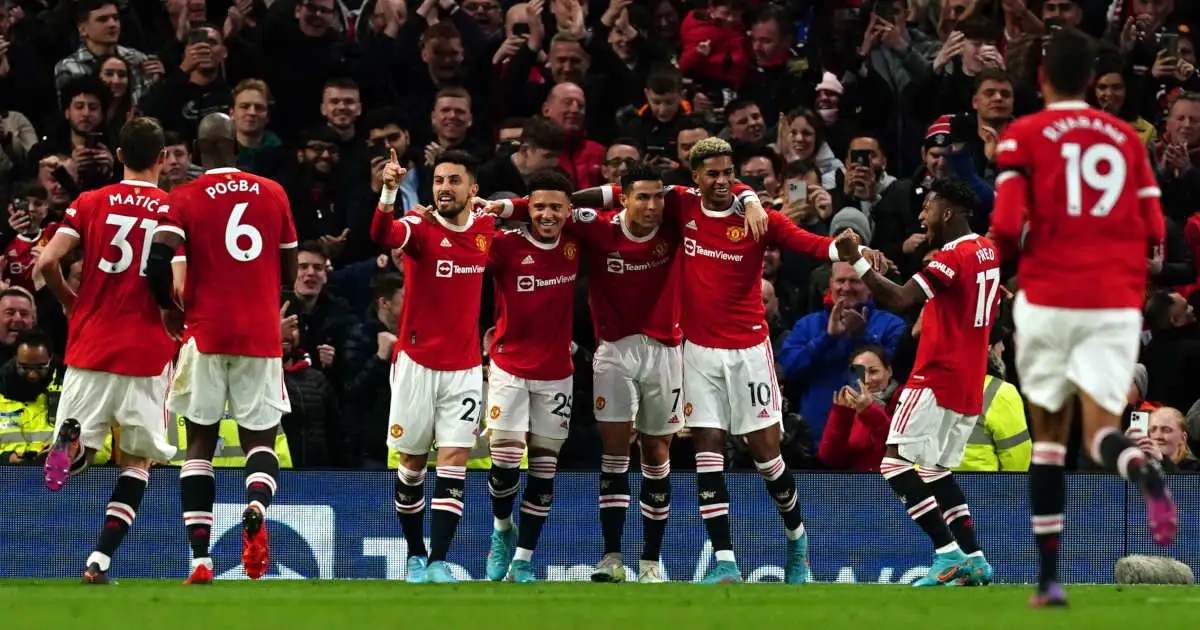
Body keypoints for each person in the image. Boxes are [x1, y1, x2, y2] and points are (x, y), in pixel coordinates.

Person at [572, 137, 887, 584]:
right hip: (698, 352)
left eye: (728, 173)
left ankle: (798, 540)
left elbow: (817, 246)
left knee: (766, 457)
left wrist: (852, 251)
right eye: (712, 174)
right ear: (695, 177)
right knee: (707, 454)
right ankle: (724, 561)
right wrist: (563, 202)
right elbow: (616, 193)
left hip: (749, 353)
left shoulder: (759, 219)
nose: (722, 181)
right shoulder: (679, 203)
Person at [990, 27, 1176, 607]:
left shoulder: (1022, 136)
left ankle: (1049, 579)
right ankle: (1141, 469)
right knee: (1100, 431)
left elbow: (1003, 227)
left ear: (1041, 78)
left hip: (1048, 298)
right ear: (1094, 82)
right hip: (1113, 302)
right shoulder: (1126, 138)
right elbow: (1156, 231)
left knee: (1048, 441)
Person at [493, 164, 684, 584]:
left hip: (667, 350)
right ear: (624, 197)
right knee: (614, 455)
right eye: (641, 197)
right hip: (613, 350)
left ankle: (651, 562)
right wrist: (505, 206)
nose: (651, 206)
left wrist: (747, 199)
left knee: (656, 456)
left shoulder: (676, 224)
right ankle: (612, 558)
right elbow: (550, 208)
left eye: (658, 197)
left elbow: (718, 191)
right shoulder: (596, 228)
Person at [145, 112, 299, 585]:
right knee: (261, 440)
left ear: (194, 149)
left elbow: (156, 261)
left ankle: (200, 560)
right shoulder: (273, 192)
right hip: (259, 335)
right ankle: (255, 506)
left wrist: (169, 308)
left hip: (204, 333)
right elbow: (290, 267)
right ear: (237, 147)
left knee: (199, 445)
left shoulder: (184, 197)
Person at [834, 179, 999, 587]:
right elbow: (943, 297)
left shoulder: (954, 255)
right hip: (968, 377)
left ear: (947, 212)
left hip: (936, 375)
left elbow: (901, 300)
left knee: (894, 463)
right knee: (936, 469)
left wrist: (857, 262)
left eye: (928, 208)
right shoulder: (988, 251)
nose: (922, 216)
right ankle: (975, 558)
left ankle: (947, 554)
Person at [36, 117, 179, 584]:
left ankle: (72, 443)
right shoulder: (171, 210)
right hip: (149, 350)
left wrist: (70, 303)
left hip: (91, 341)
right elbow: (175, 284)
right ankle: (99, 560)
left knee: (75, 462)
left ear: (119, 156)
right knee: (139, 461)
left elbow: (48, 261)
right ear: (163, 159)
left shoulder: (90, 202)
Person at [370, 148, 512, 584]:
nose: (444, 188)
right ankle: (415, 556)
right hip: (415, 363)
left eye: (454, 180)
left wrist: (508, 207)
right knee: (412, 464)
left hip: (466, 366)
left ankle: (438, 561)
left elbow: (531, 222)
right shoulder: (420, 226)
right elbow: (382, 234)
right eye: (438, 181)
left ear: (473, 189)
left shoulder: (487, 229)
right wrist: (390, 190)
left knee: (454, 461)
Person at [480, 169, 579, 583]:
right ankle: (502, 530)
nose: (547, 214)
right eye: (538, 206)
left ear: (569, 211)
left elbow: (606, 210)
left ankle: (523, 559)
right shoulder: (505, 246)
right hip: (509, 366)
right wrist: (507, 208)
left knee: (543, 470)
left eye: (556, 207)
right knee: (503, 464)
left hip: (557, 374)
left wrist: (517, 205)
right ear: (528, 208)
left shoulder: (576, 244)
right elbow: (470, 235)